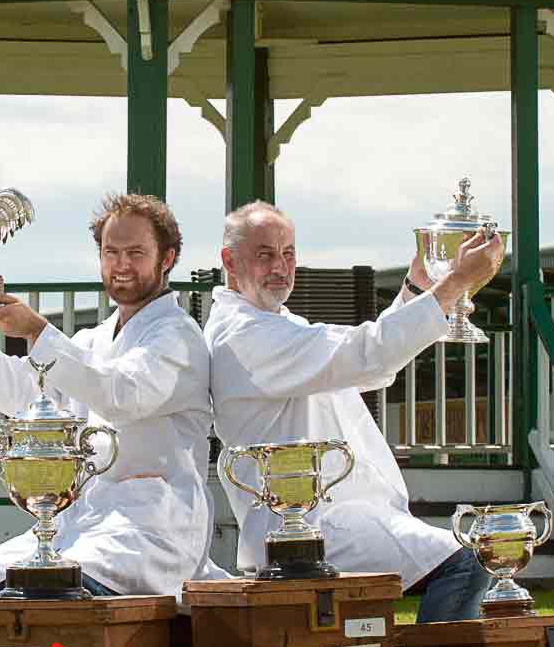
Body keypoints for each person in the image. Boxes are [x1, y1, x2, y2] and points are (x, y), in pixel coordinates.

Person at [205, 200, 507, 621]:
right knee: (464, 563)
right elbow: (367, 356)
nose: (280, 267)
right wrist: (455, 282)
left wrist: (417, 290)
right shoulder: (244, 334)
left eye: (288, 253)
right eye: (265, 255)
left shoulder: (274, 323)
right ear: (229, 262)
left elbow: (362, 366)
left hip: (331, 520)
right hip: (310, 527)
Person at [0, 191, 219, 597]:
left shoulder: (177, 337)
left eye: (135, 253)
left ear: (167, 258)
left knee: (48, 593)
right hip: (77, 529)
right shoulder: (93, 340)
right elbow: (31, 397)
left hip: (149, 536)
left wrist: (36, 330)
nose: (121, 265)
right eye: (111, 252)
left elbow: (122, 393)